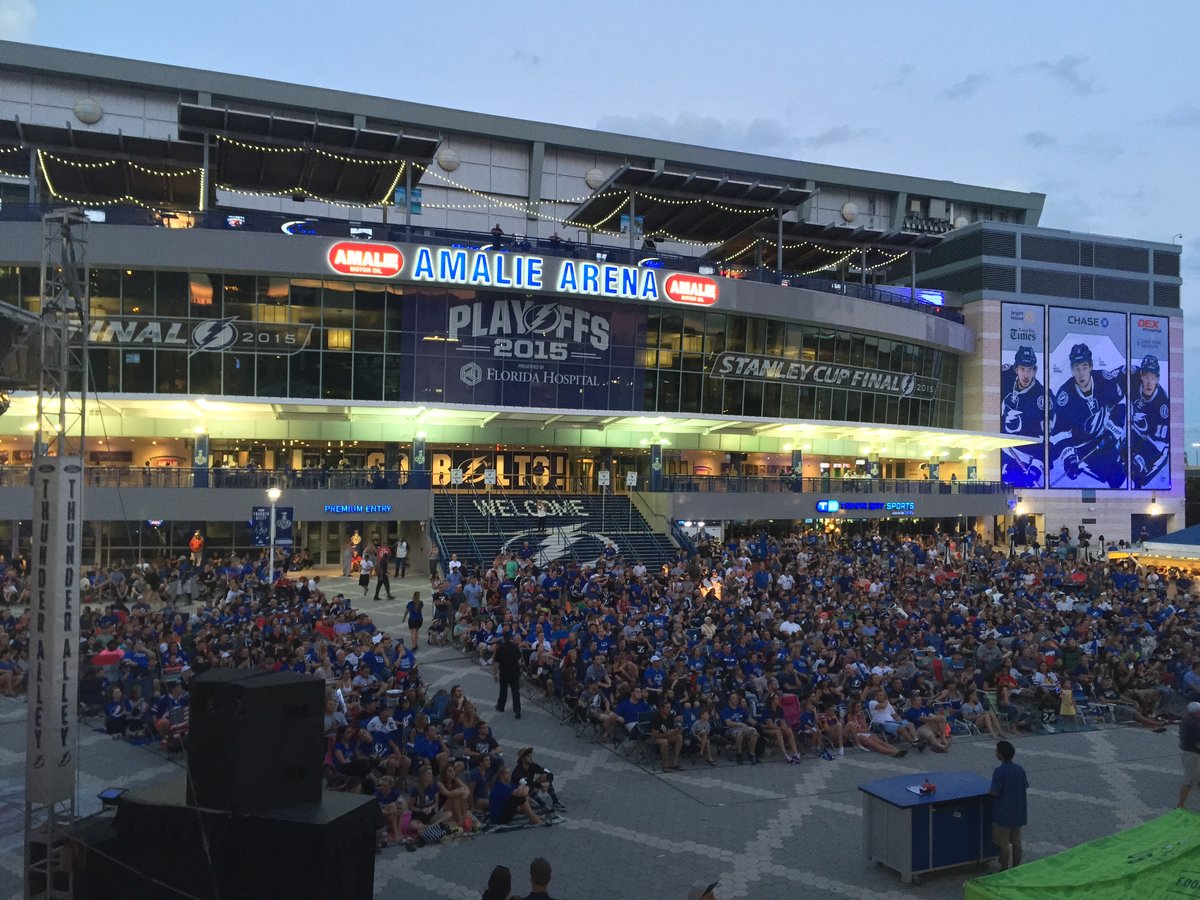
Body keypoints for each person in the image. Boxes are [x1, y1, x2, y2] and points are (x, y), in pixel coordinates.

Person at [1048, 341, 1127, 489]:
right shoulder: (1065, 397)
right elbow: (1058, 433)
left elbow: (1121, 401)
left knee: (1118, 478)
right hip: (1082, 447)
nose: (1081, 373)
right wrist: (1069, 458)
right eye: (1076, 368)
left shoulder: (1104, 380)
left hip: (1103, 438)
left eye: (1084, 367)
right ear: (1072, 370)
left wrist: (1113, 428)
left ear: (1091, 366)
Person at [999, 344, 1045, 488]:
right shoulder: (1004, 377)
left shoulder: (1043, 397)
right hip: (1005, 448)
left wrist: (1037, 465)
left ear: (1035, 370)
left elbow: (1047, 438)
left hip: (1027, 454)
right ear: (1015, 369)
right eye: (1022, 369)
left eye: (1030, 369)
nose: (1026, 374)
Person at [1130, 353, 1170, 489]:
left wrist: (1142, 458)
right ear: (1141, 375)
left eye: (1152, 378)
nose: (1149, 382)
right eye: (1146, 376)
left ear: (1157, 379)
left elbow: (1160, 444)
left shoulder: (1162, 405)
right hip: (1136, 430)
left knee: (1139, 475)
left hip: (1153, 441)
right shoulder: (1132, 378)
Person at [988, 740, 1028, 871]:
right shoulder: (1020, 769)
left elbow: (995, 792)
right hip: (1019, 811)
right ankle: (1016, 868)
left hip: (1003, 814)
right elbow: (1025, 785)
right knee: (1017, 842)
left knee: (1004, 844)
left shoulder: (1000, 771)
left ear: (1000, 755)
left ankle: (1004, 869)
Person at [1177, 701, 1200, 809]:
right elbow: (1198, 744)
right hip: (1192, 754)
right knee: (1189, 780)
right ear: (1196, 713)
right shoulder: (1195, 725)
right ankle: (1180, 804)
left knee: (1193, 777)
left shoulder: (1186, 720)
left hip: (1185, 751)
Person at [495, 631, 522, 719]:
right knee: (515, 692)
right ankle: (517, 711)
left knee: (503, 690)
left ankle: (501, 706)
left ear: (503, 638)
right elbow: (518, 657)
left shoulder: (500, 648)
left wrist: (495, 674)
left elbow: (497, 662)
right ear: (511, 638)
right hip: (514, 672)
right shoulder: (515, 647)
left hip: (504, 672)